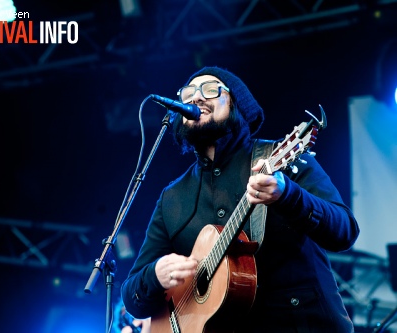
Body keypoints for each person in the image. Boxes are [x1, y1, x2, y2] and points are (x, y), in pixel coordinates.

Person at [120, 66, 360, 332]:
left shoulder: (281, 160)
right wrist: (155, 275)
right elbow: (133, 297)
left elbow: (346, 231)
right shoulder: (172, 198)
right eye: (188, 93)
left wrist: (288, 196)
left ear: (237, 105)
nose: (196, 98)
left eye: (211, 90)